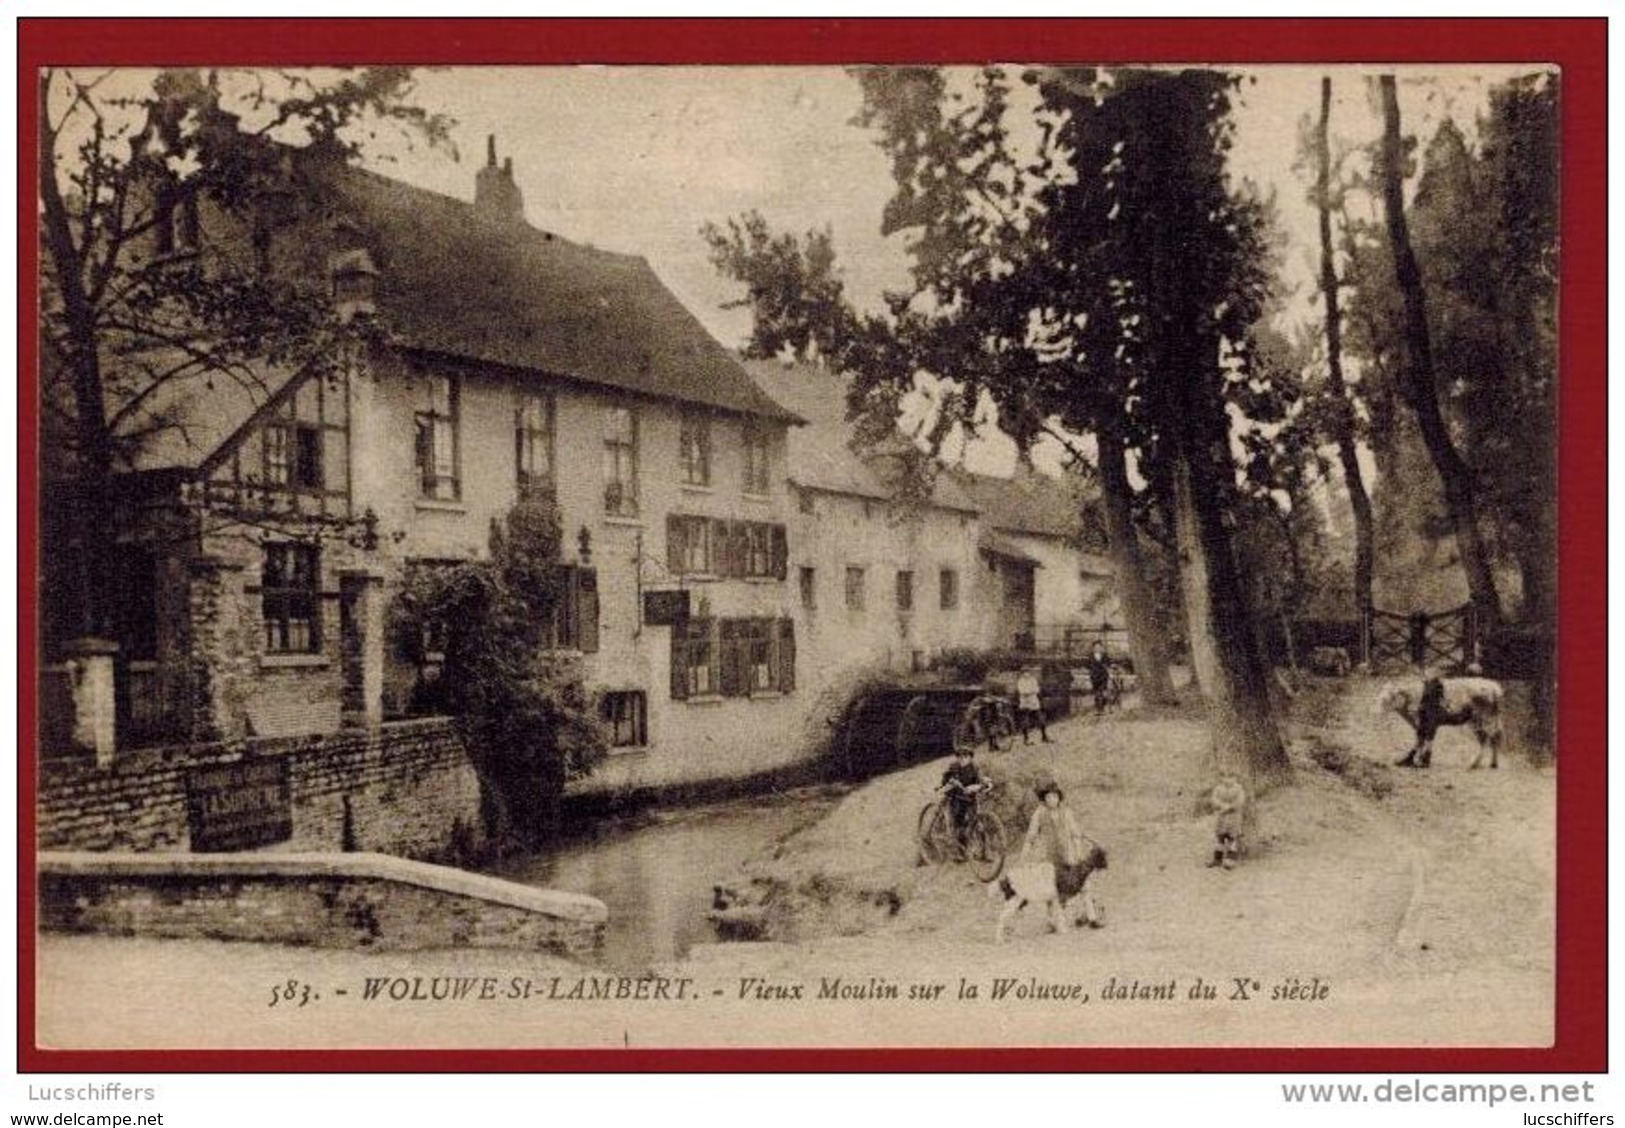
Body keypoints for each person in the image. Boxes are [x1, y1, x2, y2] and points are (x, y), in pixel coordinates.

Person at [1021, 780, 1103, 928]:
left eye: (1054, 796)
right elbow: (1030, 838)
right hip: (1050, 859)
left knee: (1084, 885)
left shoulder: (1066, 812)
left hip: (1068, 856)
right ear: (1044, 799)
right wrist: (1023, 858)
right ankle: (1051, 921)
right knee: (1051, 890)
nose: (1051, 800)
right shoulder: (1039, 814)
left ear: (1059, 797)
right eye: (1048, 797)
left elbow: (1076, 833)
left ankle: (1091, 917)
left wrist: (1078, 852)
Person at [938, 745, 986, 849]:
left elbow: (980, 780)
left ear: (970, 757)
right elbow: (946, 778)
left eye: (966, 755)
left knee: (976, 821)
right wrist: (951, 782)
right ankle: (957, 849)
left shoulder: (975, 767)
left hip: (969, 796)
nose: (963, 758)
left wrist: (982, 785)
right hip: (956, 796)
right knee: (957, 822)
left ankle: (983, 851)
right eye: (960, 756)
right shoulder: (954, 766)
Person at [1207, 776, 1248, 869]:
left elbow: (1240, 801)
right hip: (1222, 816)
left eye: (1231, 777)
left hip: (1234, 816)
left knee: (1232, 838)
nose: (1228, 780)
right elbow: (1214, 799)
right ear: (1222, 778)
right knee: (1220, 837)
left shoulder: (1238, 789)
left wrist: (1229, 807)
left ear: (1235, 778)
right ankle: (1217, 859)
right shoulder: (1218, 788)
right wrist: (1221, 805)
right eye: (1225, 777)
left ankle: (1230, 861)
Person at [1016, 666, 1052, 743]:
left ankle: (1044, 736)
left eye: (1027, 672)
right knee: (1025, 721)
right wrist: (1031, 691)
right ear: (1022, 674)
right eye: (1024, 672)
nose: (1026, 674)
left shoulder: (1033, 680)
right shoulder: (1020, 681)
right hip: (1025, 703)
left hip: (1034, 702)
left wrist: (1030, 691)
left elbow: (1037, 689)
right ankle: (1026, 739)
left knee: (1041, 719)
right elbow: (1023, 692)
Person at [1084, 641, 1113, 716]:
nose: (1097, 648)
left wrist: (1107, 668)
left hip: (1103, 676)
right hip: (1094, 676)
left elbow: (1108, 664)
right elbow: (1087, 665)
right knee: (1096, 692)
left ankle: (1102, 708)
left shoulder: (1105, 656)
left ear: (1101, 648)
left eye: (1099, 647)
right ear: (1093, 648)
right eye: (1096, 647)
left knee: (1102, 691)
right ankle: (1098, 709)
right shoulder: (1090, 656)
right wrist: (1092, 670)